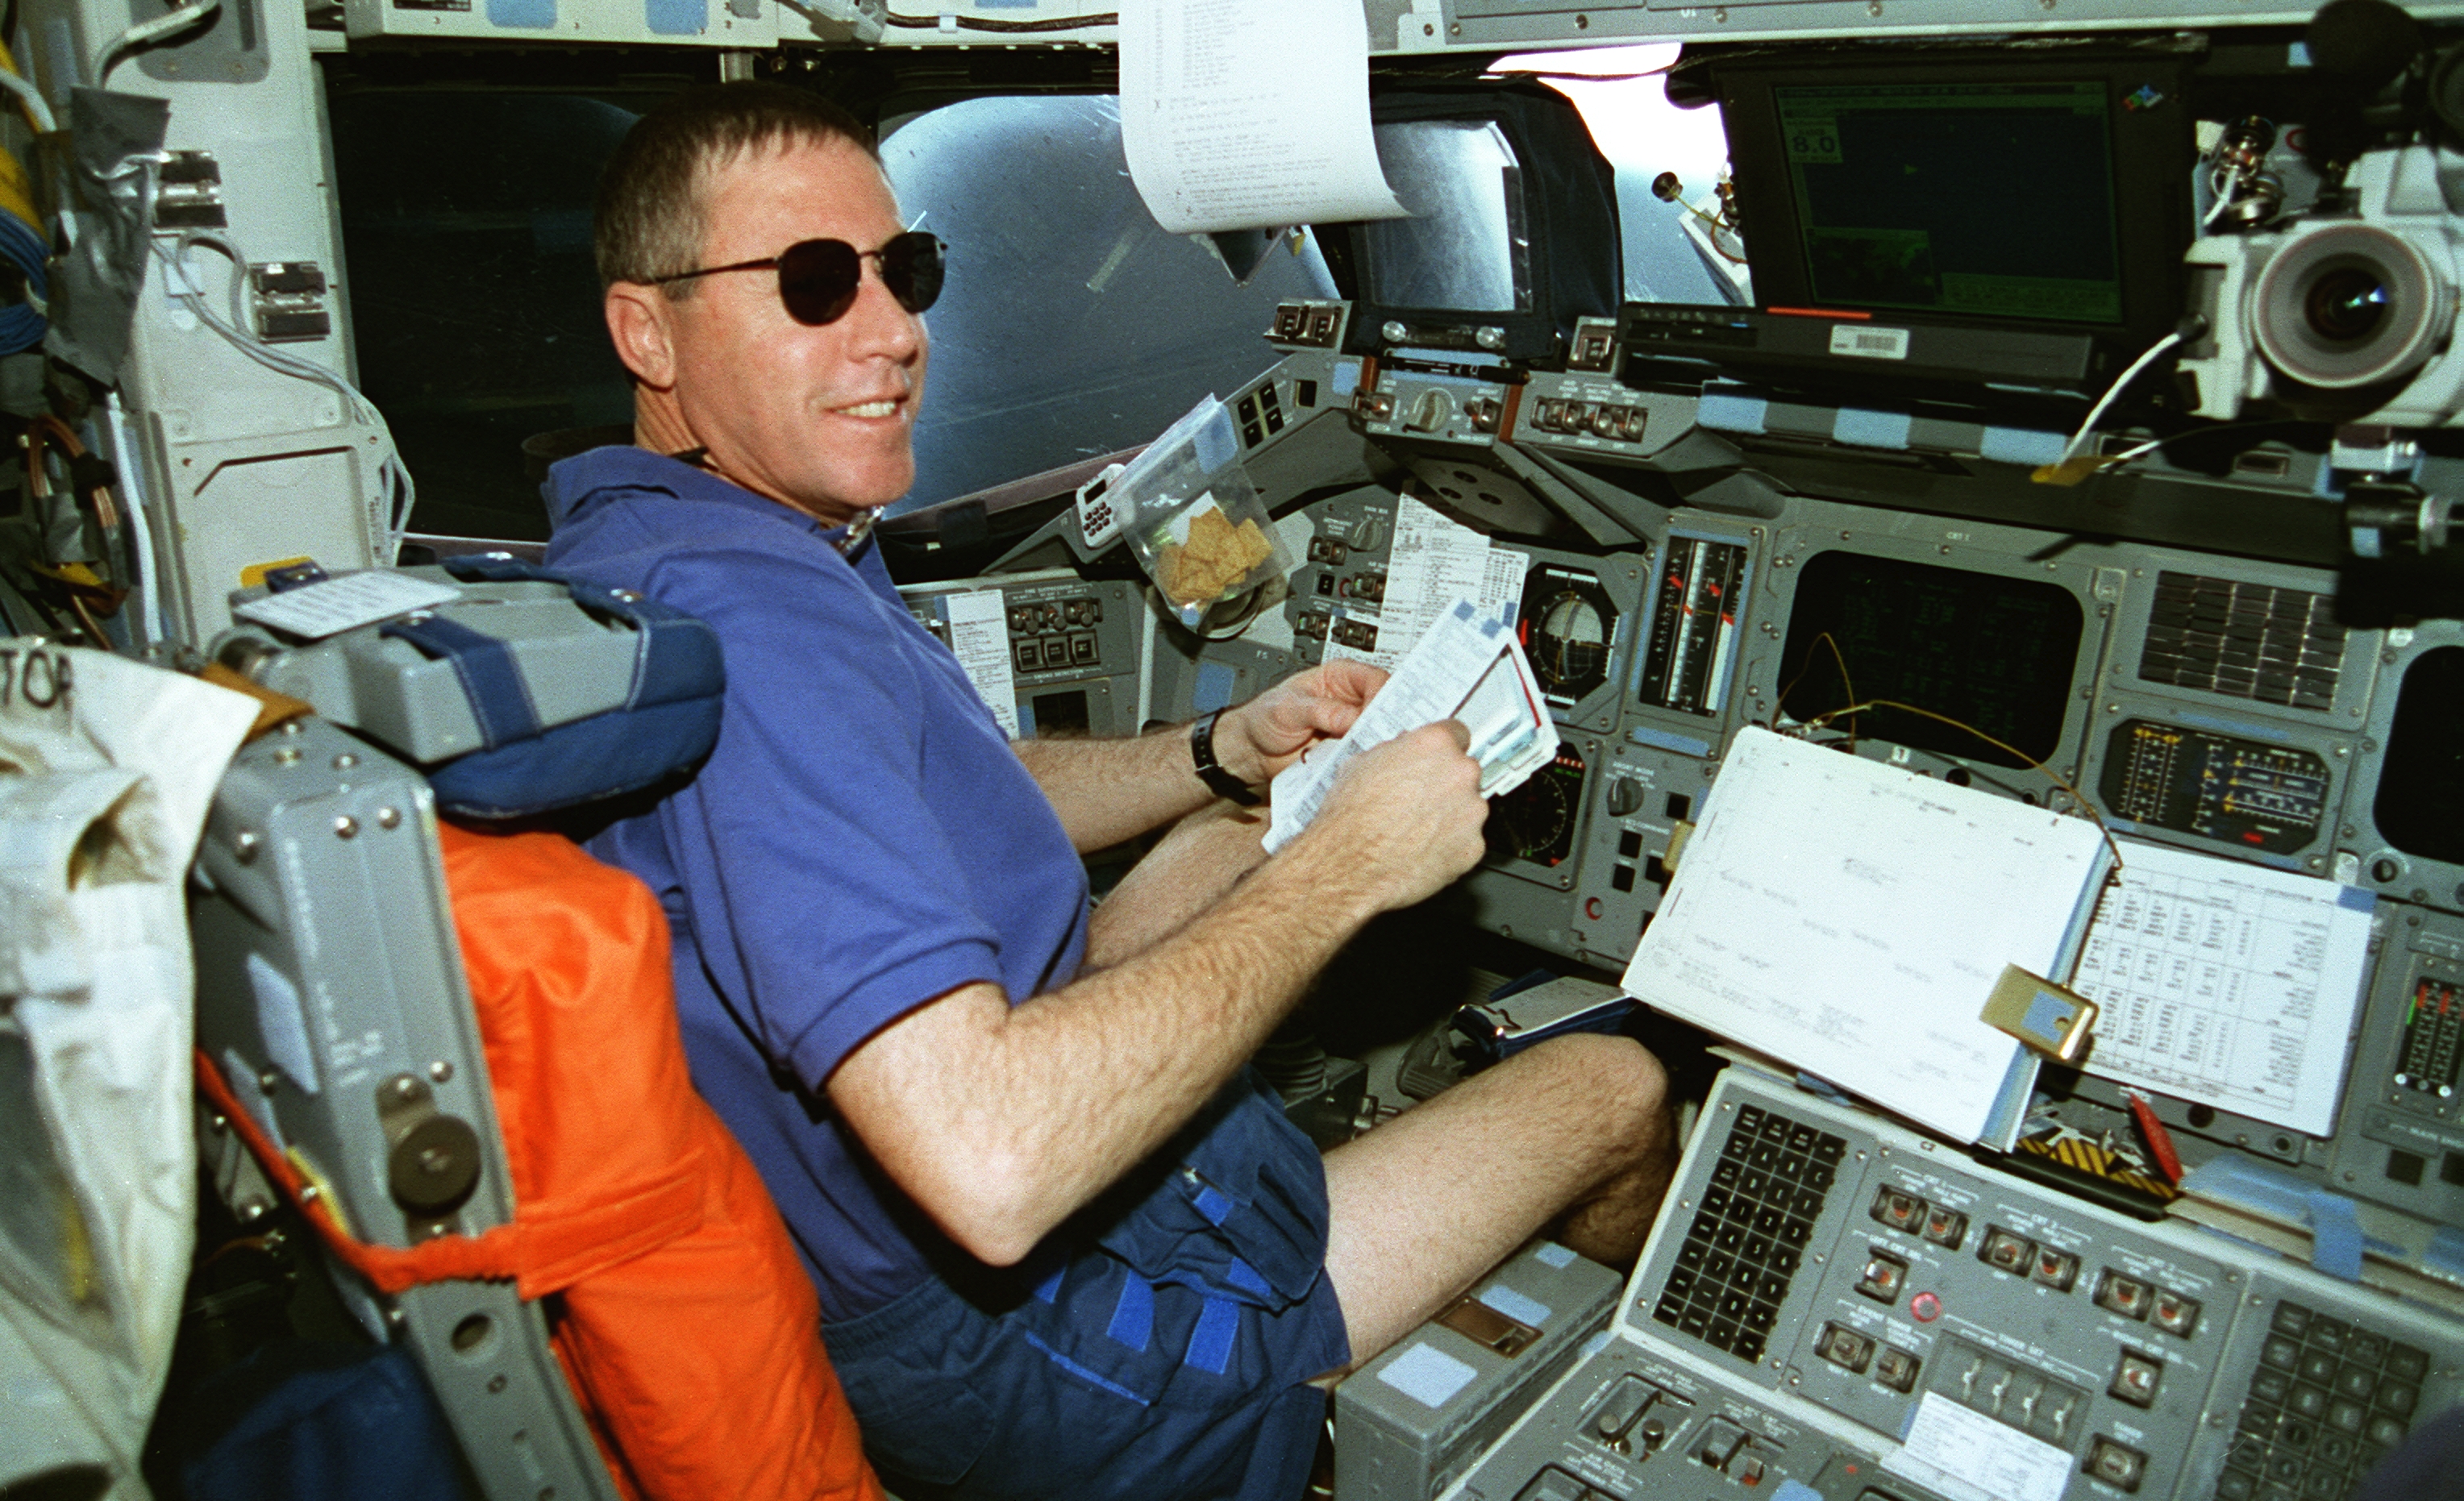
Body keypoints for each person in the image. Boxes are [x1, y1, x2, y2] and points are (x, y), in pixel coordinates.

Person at [543, 81, 1675, 1501]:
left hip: (908, 1247)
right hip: (1038, 1349)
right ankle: (1654, 1415)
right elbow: (994, 1163)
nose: (895, 332)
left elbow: (949, 792)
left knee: (1233, 835)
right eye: (815, 287)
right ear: (646, 328)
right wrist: (1355, 869)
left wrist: (1226, 758)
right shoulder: (755, 629)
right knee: (1615, 1086)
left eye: (908, 272)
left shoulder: (683, 534)